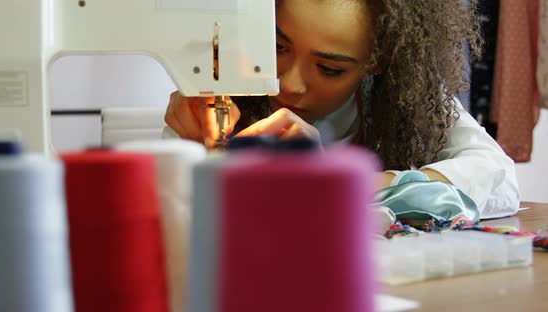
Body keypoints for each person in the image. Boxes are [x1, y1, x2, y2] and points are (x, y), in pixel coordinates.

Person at [163, 0, 519, 219]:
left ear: (378, 61)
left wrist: (338, 181)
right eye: (277, 46)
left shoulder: (410, 98)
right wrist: (187, 152)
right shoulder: (220, 93)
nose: (290, 84)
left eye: (330, 69)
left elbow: (498, 177)